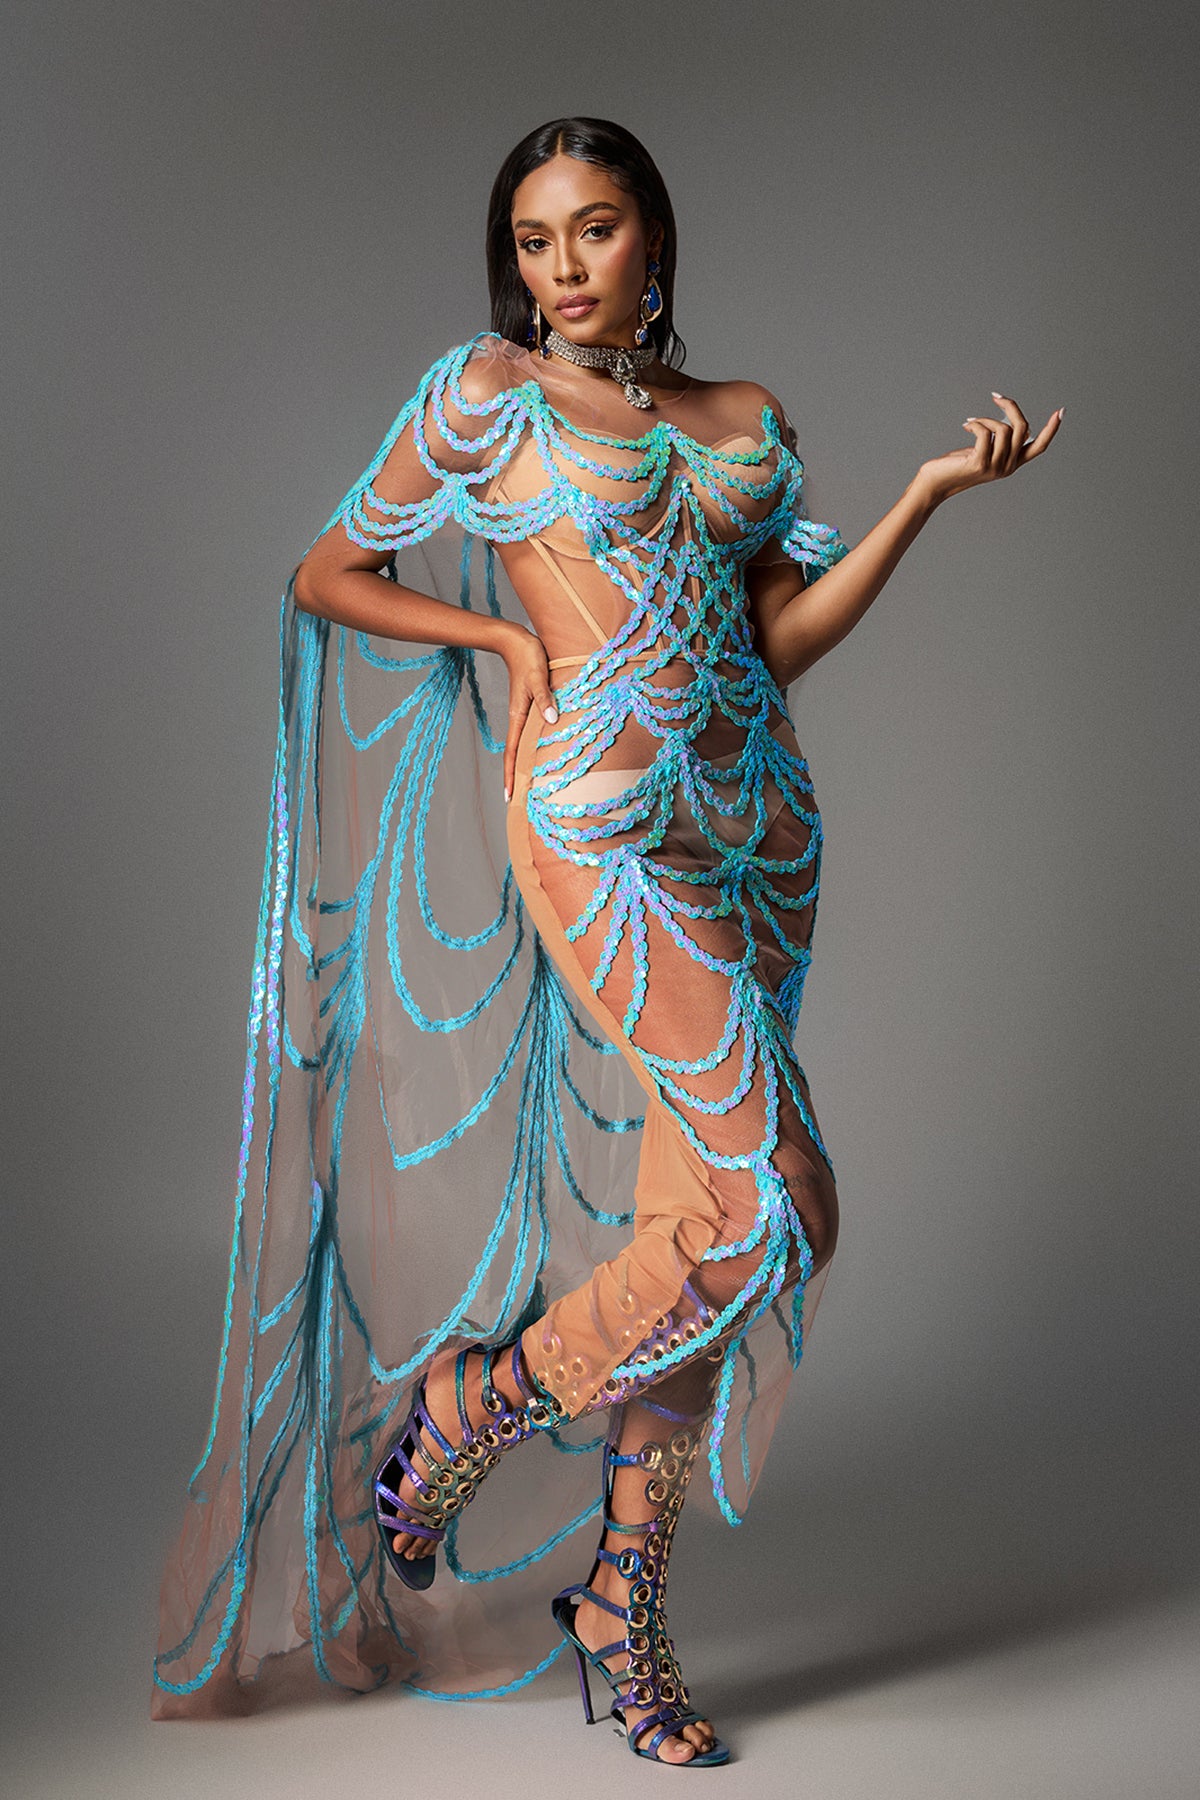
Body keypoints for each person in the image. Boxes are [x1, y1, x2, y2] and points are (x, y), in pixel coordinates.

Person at [151, 117, 1061, 1763]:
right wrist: (502, 640)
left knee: (705, 1213)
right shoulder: (487, 396)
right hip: (601, 827)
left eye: (594, 229)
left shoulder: (744, 419)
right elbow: (329, 570)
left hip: (757, 834)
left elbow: (776, 640)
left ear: (654, 237)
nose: (562, 268)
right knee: (781, 1203)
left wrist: (928, 496)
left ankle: (618, 1607)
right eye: (534, 238)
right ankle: (476, 1405)